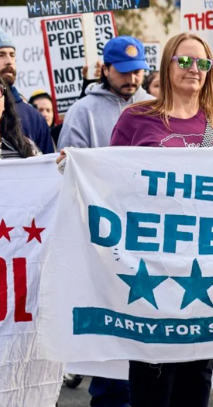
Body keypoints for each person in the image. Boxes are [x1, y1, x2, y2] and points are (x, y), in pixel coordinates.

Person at [107, 32, 213, 407]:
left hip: (202, 278)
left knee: (196, 384)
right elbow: (109, 183)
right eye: (184, 60)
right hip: (151, 275)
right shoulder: (136, 119)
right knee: (153, 385)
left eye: (203, 62)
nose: (193, 68)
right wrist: (75, 167)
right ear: (167, 65)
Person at [0, 18, 54, 154]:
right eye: (0, 55)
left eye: (12, 55)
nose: (9, 61)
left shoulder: (33, 117)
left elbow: (49, 165)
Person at [57, 36, 153, 151]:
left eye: (136, 72)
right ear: (105, 69)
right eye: (123, 72)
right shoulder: (82, 110)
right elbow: (69, 159)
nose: (131, 80)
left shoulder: (157, 107)